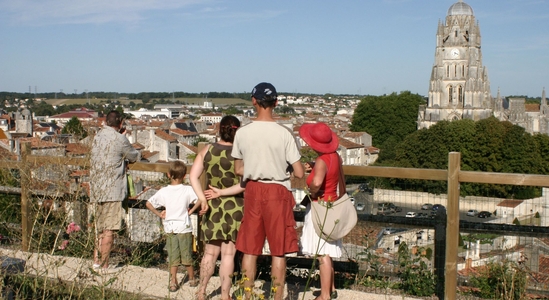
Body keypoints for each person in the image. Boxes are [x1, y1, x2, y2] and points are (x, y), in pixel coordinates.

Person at [231, 82, 304, 300]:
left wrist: (256, 167)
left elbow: (238, 170)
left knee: (250, 248)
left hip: (253, 190)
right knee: (278, 250)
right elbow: (299, 173)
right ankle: (277, 296)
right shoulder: (284, 134)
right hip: (278, 192)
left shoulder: (242, 133)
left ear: (254, 101)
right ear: (276, 103)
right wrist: (285, 167)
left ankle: (247, 295)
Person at [189, 115, 244, 300]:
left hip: (212, 205)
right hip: (235, 206)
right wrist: (224, 192)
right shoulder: (242, 153)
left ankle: (201, 291)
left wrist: (202, 199)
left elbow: (193, 177)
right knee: (229, 254)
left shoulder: (208, 149)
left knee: (210, 253)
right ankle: (225, 295)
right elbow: (245, 184)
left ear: (220, 129)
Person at [299, 122, 344, 300]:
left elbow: (317, 183)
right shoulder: (335, 157)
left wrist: (310, 192)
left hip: (320, 206)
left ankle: (324, 295)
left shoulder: (321, 161)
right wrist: (315, 165)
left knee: (322, 253)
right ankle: (330, 288)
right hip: (333, 205)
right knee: (328, 250)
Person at [90, 110, 140, 271]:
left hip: (97, 187)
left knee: (100, 228)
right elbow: (134, 156)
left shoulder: (97, 136)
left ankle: (96, 261)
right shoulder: (120, 139)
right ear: (120, 123)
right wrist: (123, 136)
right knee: (109, 229)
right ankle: (104, 265)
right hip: (112, 188)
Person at [146, 161, 200, 292]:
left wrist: (159, 214)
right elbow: (200, 199)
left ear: (168, 174)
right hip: (184, 226)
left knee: (173, 256)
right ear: (185, 175)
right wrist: (191, 211)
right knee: (186, 254)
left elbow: (148, 203)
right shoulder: (188, 189)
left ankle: (173, 281)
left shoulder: (164, 191)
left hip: (169, 227)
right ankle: (192, 278)